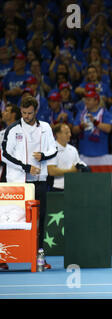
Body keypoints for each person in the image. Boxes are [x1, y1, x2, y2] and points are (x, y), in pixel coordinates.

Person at [1, 96, 57, 269]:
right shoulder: (13, 129)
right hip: (18, 183)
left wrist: (43, 156)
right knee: (9, 219)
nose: (26, 116)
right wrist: (26, 167)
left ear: (36, 110)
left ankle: (39, 257)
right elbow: (4, 154)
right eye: (24, 113)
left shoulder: (46, 128)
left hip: (39, 181)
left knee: (39, 221)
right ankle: (3, 258)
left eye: (29, 113)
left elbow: (53, 150)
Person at [72, 90, 112, 157]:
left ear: (96, 101)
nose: (86, 102)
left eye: (89, 100)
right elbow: (73, 130)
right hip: (83, 154)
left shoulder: (104, 112)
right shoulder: (81, 113)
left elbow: (108, 129)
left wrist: (95, 122)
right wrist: (81, 127)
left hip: (100, 155)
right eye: (86, 100)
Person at [47, 123, 87, 192]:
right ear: (58, 134)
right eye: (66, 133)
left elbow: (77, 166)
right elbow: (51, 171)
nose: (70, 135)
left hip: (73, 187)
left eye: (70, 132)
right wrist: (70, 171)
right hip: (56, 188)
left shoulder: (73, 149)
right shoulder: (51, 149)